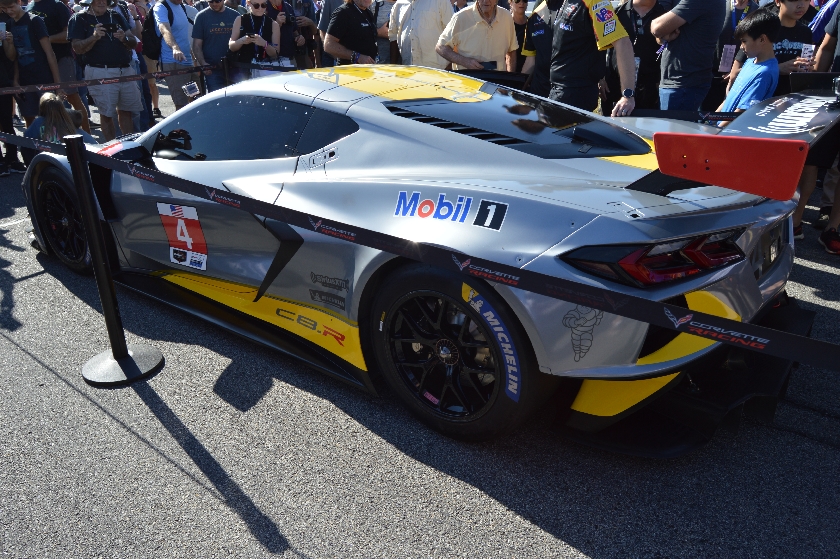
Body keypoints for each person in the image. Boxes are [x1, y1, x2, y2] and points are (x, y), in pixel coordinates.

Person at [543, 0, 637, 116]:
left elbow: (622, 42)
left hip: (574, 94)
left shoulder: (594, 1)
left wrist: (627, 95)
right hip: (560, 91)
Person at [69, 0, 142, 140]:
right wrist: (94, 37)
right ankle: (111, 152)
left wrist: (124, 38)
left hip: (125, 69)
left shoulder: (115, 15)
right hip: (100, 70)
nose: (102, 2)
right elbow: (77, 48)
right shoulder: (79, 18)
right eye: (98, 0)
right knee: (107, 114)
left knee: (127, 112)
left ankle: (129, 147)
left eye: (105, 0)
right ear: (90, 2)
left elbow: (133, 42)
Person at [27, 0, 90, 132]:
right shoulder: (29, 7)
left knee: (72, 96)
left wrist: (45, 39)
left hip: (62, 57)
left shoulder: (57, 5)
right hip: (39, 62)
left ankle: (87, 136)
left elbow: (68, 35)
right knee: (42, 103)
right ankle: (46, 140)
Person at [651, 0, 726, 111]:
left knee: (674, 127)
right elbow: (661, 30)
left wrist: (660, 30)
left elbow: (657, 27)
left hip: (683, 83)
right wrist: (662, 35)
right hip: (681, 82)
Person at [728, 0, 815, 97]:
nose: (801, 5)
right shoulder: (759, 30)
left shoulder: (806, 32)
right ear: (778, 2)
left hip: (792, 101)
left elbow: (805, 73)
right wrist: (777, 68)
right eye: (794, 0)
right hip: (758, 101)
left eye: (806, 0)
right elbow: (735, 73)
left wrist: (808, 69)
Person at [0, 0, 61, 127]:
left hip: (43, 77)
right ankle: (33, 147)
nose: (9, 11)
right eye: (4, 9)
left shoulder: (35, 20)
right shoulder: (9, 24)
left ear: (19, 2)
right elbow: (13, 57)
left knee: (52, 120)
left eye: (11, 7)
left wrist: (58, 84)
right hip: (24, 80)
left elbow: (49, 53)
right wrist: (16, 80)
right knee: (30, 121)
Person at [603, 0, 666, 113]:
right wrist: (600, 77)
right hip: (614, 86)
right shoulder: (616, 13)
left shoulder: (664, 16)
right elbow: (599, 46)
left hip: (649, 89)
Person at [717, 8, 780, 118]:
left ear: (762, 39)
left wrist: (717, 132)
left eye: (744, 41)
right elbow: (729, 99)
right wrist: (710, 120)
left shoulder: (764, 73)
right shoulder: (750, 61)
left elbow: (741, 113)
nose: (741, 46)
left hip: (728, 131)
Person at [435, 0, 518, 72]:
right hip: (469, 83)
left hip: (496, 84)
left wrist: (509, 82)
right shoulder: (461, 17)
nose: (486, 0)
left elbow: (511, 51)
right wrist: (465, 61)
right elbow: (441, 47)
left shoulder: (506, 17)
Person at [22, 93, 96, 165]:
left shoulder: (39, 122)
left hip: (48, 163)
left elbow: (26, 139)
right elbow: (93, 145)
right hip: (73, 162)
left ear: (42, 107)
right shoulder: (68, 119)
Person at [155, 0, 198, 110]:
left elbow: (184, 37)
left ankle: (193, 126)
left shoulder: (182, 7)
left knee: (195, 97)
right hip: (173, 62)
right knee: (181, 103)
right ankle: (181, 127)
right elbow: (164, 30)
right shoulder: (161, 7)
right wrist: (175, 48)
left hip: (187, 61)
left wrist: (193, 58)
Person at [192, 0, 239, 91]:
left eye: (217, 1)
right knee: (217, 102)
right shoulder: (201, 16)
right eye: (211, 1)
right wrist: (203, 64)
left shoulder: (235, 15)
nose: (214, 4)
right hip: (212, 69)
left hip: (234, 68)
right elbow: (197, 45)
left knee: (236, 101)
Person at [387, 0, 450, 68]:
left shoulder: (441, 1)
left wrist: (450, 67)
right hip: (408, 69)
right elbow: (393, 37)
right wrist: (393, 67)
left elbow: (454, 34)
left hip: (437, 69)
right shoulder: (398, 4)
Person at [228, 0, 281, 78]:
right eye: (256, 5)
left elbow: (275, 53)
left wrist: (264, 44)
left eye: (263, 5)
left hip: (265, 68)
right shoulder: (240, 19)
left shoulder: (273, 24)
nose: (260, 8)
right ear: (249, 3)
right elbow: (231, 46)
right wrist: (242, 41)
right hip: (243, 67)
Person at [0, 16, 20, 175]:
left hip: (3, 79)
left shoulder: (5, 21)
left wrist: (9, 41)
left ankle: (12, 158)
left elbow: (11, 56)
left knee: (6, 120)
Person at [520, 0, 551, 97]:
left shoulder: (578, 7)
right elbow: (530, 59)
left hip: (571, 88)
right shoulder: (533, 17)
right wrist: (519, 89)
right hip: (540, 88)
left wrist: (599, 78)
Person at [267, 0, 300, 66]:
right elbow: (259, 35)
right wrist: (277, 25)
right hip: (270, 61)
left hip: (290, 58)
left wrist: (299, 37)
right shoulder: (262, 7)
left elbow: (294, 31)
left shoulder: (288, 7)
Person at [292, 0, 317, 68]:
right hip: (286, 49)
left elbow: (315, 31)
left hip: (303, 50)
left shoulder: (308, 2)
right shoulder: (280, 2)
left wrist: (310, 22)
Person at [316, 0, 343, 65]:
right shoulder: (329, 1)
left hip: (356, 56)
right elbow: (323, 30)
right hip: (332, 58)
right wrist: (334, 56)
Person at [510, 0, 525, 72]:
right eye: (517, 0)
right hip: (510, 72)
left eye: (525, 0)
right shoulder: (505, 23)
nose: (521, 3)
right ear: (510, 2)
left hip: (531, 73)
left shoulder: (532, 23)